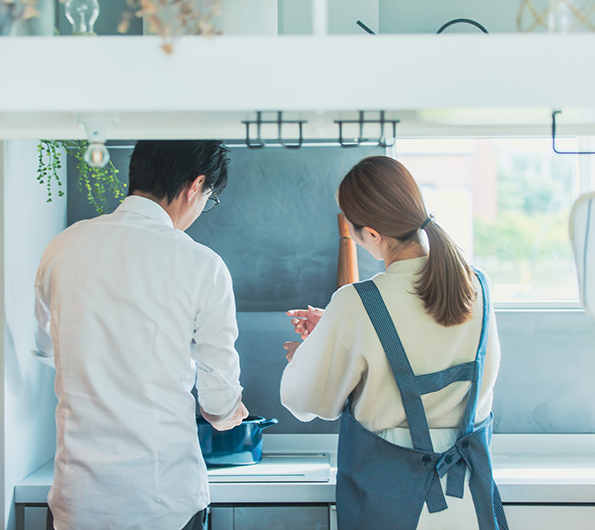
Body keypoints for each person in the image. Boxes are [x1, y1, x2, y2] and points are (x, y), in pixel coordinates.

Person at [280, 156, 507, 530]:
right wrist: (341, 332)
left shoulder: (357, 303)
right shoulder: (477, 285)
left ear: (371, 234)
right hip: (469, 503)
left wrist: (312, 350)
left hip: (391, 504)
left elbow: (305, 401)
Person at [33, 140, 248, 530]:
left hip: (77, 501)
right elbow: (217, 405)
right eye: (208, 198)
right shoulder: (202, 265)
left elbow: (47, 348)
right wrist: (231, 412)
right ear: (194, 186)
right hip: (164, 500)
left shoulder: (61, 248)